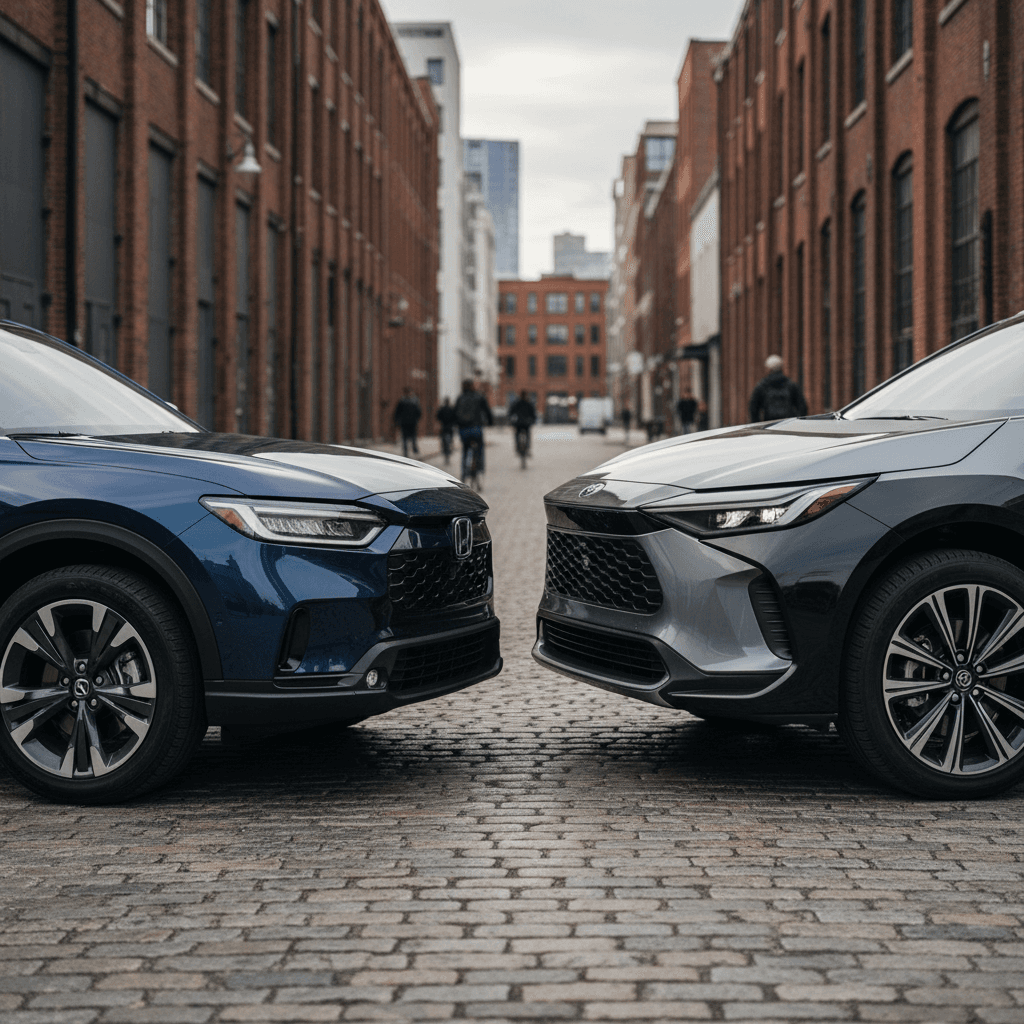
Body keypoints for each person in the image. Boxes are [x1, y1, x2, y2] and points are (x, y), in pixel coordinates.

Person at [454, 378, 493, 482]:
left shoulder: (460, 398)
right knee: (479, 448)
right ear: (472, 386)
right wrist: (490, 422)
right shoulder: (479, 397)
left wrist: (456, 424)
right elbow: (487, 411)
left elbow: (454, 413)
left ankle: (463, 472)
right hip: (476, 429)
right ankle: (480, 468)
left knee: (465, 450)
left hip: (463, 430)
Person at [749, 355, 808, 422]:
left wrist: (757, 424)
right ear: (781, 368)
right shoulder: (791, 385)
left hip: (769, 422)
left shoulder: (762, 386)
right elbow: (802, 406)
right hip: (788, 423)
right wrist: (799, 423)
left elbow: (754, 408)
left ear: (768, 369)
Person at [393, 388, 422, 457]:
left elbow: (397, 412)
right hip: (407, 423)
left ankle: (412, 450)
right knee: (407, 438)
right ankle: (408, 452)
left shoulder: (404, 401)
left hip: (409, 423)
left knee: (410, 438)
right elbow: (397, 413)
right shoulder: (412, 401)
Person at [508, 390, 537, 457]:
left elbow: (511, 412)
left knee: (517, 434)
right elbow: (533, 413)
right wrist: (533, 420)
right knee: (528, 434)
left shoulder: (517, 403)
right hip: (527, 423)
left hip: (518, 423)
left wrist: (510, 420)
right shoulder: (529, 403)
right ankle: (527, 448)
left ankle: (518, 448)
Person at [436, 397, 457, 465]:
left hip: (444, 427)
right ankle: (449, 451)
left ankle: (445, 454)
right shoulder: (452, 409)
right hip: (450, 428)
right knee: (450, 441)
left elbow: (437, 417)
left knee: (444, 442)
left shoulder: (442, 409)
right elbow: (455, 418)